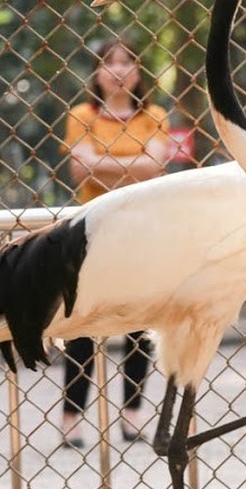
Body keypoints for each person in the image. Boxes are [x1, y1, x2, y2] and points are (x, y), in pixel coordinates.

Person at [60, 37, 169, 449]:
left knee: (140, 324)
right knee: (84, 325)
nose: (119, 70)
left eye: (127, 62)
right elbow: (78, 172)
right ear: (97, 73)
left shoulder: (154, 115)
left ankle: (132, 414)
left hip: (142, 231)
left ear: (139, 72)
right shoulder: (81, 115)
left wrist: (101, 166)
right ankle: (72, 417)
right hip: (95, 231)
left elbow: (156, 166)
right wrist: (132, 168)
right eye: (109, 62)